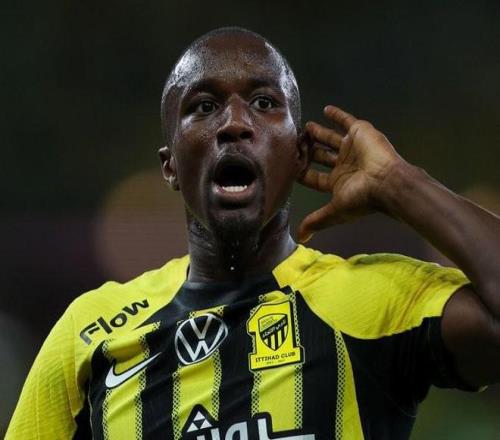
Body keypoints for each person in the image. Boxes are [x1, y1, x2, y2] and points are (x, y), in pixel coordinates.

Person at [6, 26, 500, 440]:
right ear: (171, 165)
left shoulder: (374, 299)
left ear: (299, 154)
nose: (235, 123)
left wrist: (399, 184)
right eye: (204, 107)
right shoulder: (89, 331)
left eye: (264, 103)